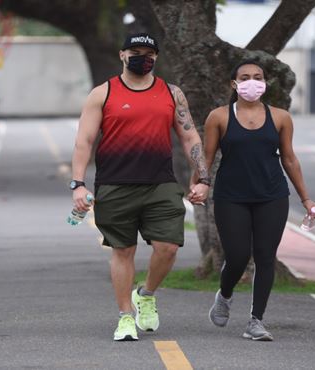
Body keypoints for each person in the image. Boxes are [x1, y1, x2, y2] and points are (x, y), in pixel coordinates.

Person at [70, 33, 209, 341]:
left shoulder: (172, 93)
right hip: (114, 185)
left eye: (149, 52)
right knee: (124, 251)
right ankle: (125, 317)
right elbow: (85, 141)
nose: (142, 56)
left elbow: (190, 137)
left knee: (168, 247)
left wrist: (203, 177)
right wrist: (77, 184)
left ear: (156, 58)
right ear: (122, 54)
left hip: (160, 184)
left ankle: (145, 294)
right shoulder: (102, 93)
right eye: (136, 51)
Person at [201, 60, 315, 341]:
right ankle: (225, 294)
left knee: (266, 256)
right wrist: (201, 184)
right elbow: (206, 158)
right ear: (234, 84)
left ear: (265, 83)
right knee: (237, 256)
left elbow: (289, 159)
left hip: (272, 195)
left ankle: (256, 321)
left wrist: (306, 199)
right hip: (231, 196)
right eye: (245, 77)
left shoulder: (280, 117)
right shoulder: (218, 117)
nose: (252, 81)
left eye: (258, 77)